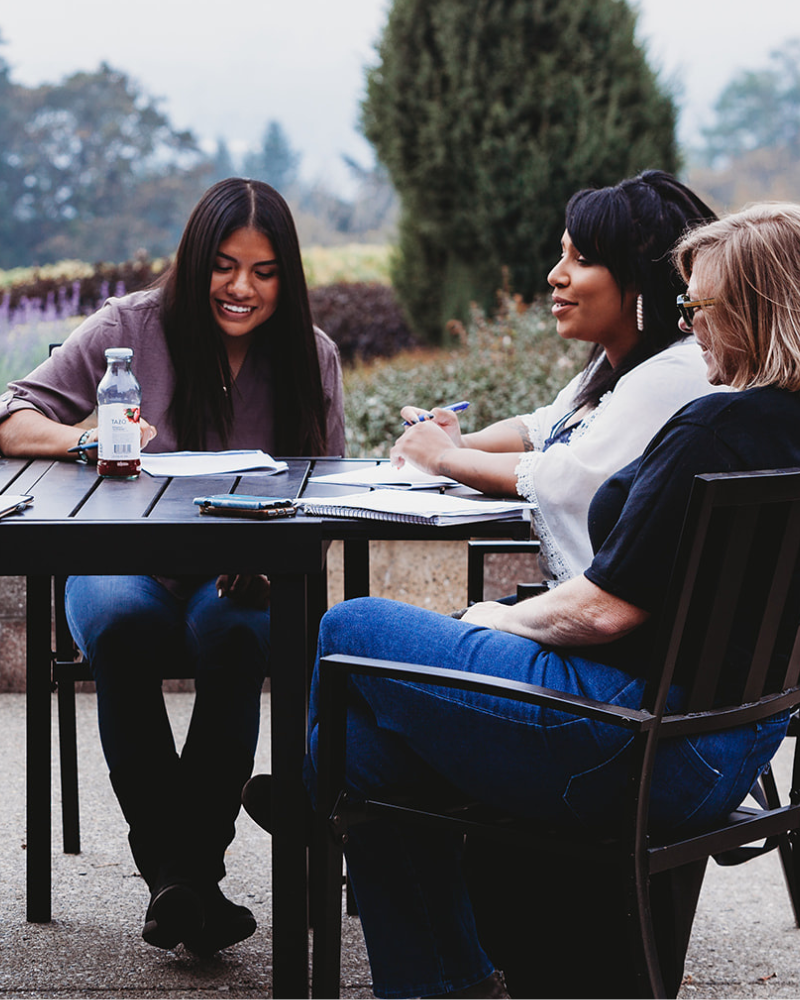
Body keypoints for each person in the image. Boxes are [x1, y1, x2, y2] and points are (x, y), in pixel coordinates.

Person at [296, 202, 800, 999]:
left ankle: (327, 831)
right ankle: (439, 972)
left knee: (349, 627)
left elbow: (604, 609)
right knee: (363, 750)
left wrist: (492, 618)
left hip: (629, 741)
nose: (690, 325)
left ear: (751, 309)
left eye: (697, 307)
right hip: (730, 748)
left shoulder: (714, 428)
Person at [0, 178, 345, 955]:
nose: (242, 289)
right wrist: (88, 437)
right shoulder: (130, 328)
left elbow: (324, 493)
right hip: (123, 566)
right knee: (120, 625)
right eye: (225, 266)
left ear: (287, 278)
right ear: (196, 261)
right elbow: (12, 416)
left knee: (237, 636)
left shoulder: (310, 357)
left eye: (264, 271)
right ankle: (187, 880)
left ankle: (180, 881)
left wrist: (265, 557)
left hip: (238, 577)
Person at [391, 170, 725, 584]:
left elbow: (567, 475)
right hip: (580, 621)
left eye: (582, 260)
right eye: (562, 254)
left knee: (351, 623)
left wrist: (444, 458)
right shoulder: (616, 366)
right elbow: (543, 427)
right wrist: (456, 439)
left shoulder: (676, 372)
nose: (555, 275)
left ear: (639, 276)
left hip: (599, 638)